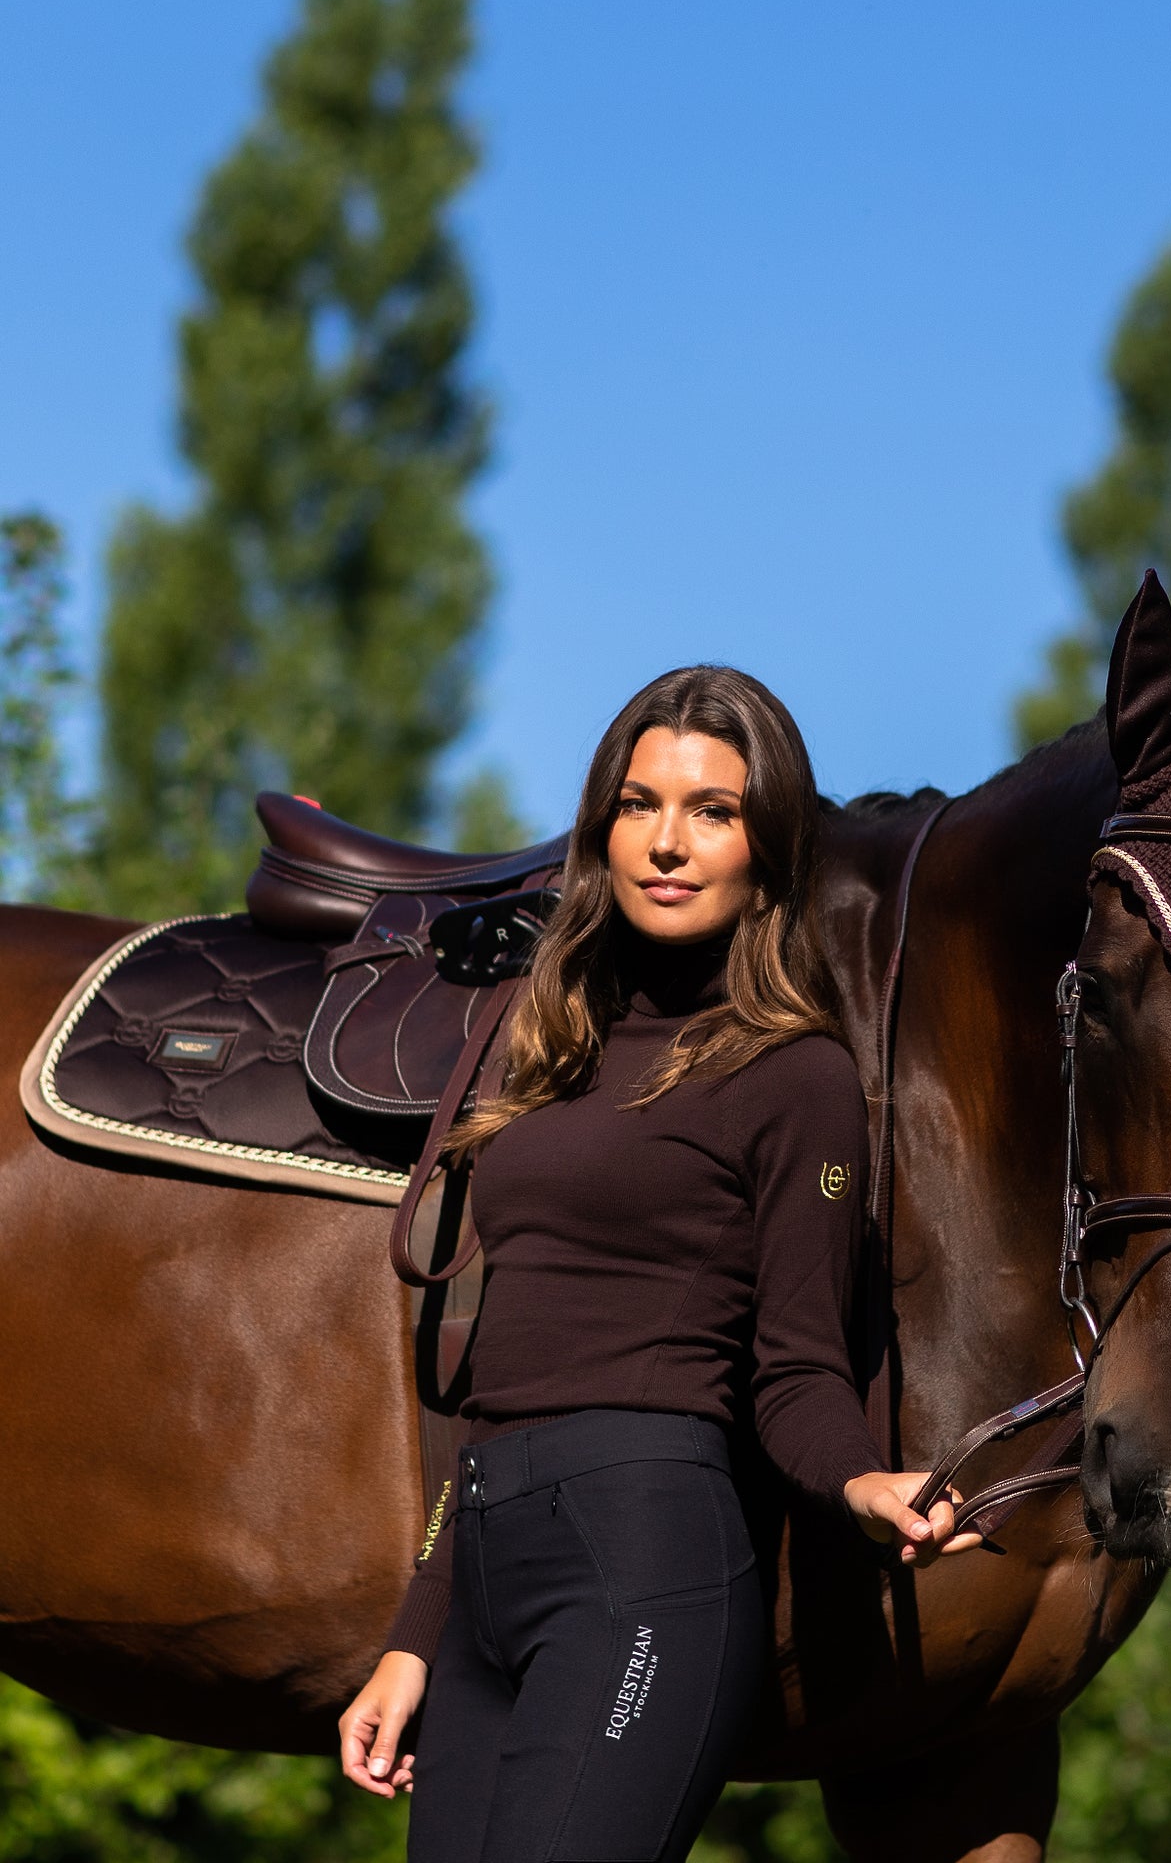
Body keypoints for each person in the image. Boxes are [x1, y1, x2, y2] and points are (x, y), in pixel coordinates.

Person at [339, 665, 975, 1863]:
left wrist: (861, 1480)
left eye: (712, 811)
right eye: (641, 804)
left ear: (767, 849)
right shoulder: (550, 1051)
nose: (668, 842)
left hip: (642, 1562)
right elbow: (495, 1383)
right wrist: (417, 1633)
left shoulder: (795, 1076)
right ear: (603, 828)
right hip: (484, 1568)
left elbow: (796, 1365)